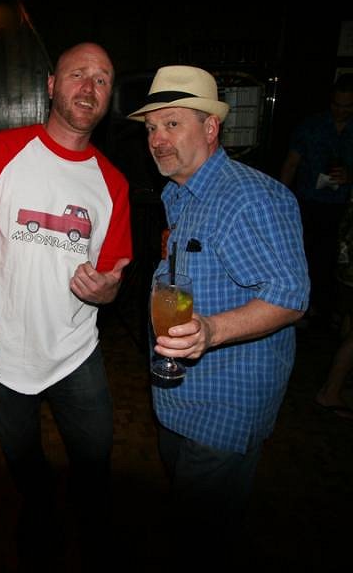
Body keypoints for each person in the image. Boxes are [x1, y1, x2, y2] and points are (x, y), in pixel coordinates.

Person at [127, 66, 309, 569]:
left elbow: (291, 297)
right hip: (179, 397)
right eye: (151, 128)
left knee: (200, 536)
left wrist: (210, 330)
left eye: (172, 124)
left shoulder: (249, 196)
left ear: (211, 128)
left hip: (225, 405)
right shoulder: (180, 194)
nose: (157, 139)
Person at [0, 42, 132, 571]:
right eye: (78, 74)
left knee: (95, 460)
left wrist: (106, 292)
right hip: (2, 345)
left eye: (102, 79)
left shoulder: (113, 182)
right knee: (22, 460)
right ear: (52, 85)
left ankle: (94, 532)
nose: (89, 87)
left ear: (109, 96)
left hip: (76, 350)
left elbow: (113, 277)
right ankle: (40, 517)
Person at [280, 73, 353, 327]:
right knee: (306, 256)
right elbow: (291, 163)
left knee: (336, 261)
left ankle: (333, 311)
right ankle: (305, 308)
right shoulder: (311, 126)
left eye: (347, 106)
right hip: (308, 203)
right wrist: (281, 202)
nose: (341, 110)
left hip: (343, 207)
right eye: (337, 104)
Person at [315, 199, 353, 419]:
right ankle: (332, 390)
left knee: (348, 318)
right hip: (348, 261)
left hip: (346, 257)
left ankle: (339, 381)